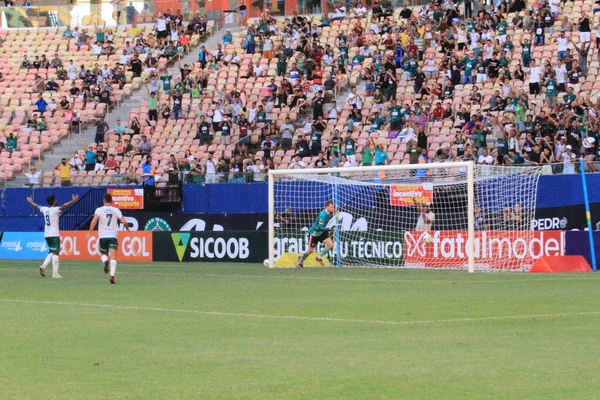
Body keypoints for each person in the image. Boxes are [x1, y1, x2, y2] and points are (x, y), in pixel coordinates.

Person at [26, 194, 79, 279]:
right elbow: (63, 206)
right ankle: (55, 274)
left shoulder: (44, 209)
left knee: (51, 251)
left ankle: (43, 266)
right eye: (55, 199)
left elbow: (37, 206)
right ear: (54, 201)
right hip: (54, 234)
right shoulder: (55, 210)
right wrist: (73, 201)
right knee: (56, 252)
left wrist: (31, 202)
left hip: (47, 234)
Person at [86, 193, 130, 284]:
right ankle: (112, 275)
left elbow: (94, 221)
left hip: (103, 236)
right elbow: (124, 221)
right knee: (113, 257)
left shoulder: (99, 210)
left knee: (103, 254)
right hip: (113, 236)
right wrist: (127, 229)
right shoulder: (116, 210)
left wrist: (89, 232)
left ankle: (106, 261)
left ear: (104, 201)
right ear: (112, 201)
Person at [297, 200, 336, 268]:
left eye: (333, 207)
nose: (333, 208)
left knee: (331, 245)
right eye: (331, 207)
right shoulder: (323, 215)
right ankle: (300, 261)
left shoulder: (329, 213)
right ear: (327, 207)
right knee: (310, 251)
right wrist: (328, 229)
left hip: (322, 231)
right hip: (315, 233)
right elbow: (319, 227)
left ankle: (319, 257)